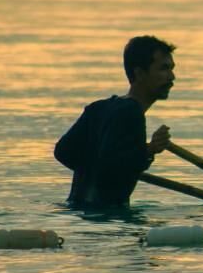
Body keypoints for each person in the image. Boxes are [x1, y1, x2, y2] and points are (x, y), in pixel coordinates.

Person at [54, 35, 175, 208]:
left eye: (171, 68)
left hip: (78, 208)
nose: (172, 76)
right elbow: (112, 167)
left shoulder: (99, 107)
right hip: (106, 215)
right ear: (139, 73)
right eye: (163, 69)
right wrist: (149, 150)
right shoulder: (131, 112)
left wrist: (91, 169)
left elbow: (63, 152)